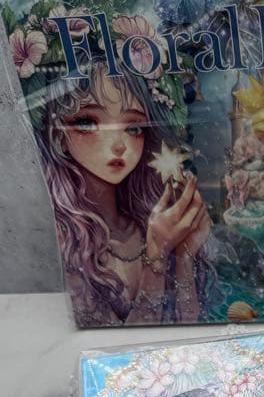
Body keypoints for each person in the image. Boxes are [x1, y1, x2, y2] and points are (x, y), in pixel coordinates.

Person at [37, 60, 212, 325]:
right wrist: (156, 258)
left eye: (133, 128)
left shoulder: (147, 222)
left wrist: (183, 255)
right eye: (88, 122)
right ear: (59, 135)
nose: (119, 145)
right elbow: (115, 345)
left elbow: (187, 323)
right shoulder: (63, 240)